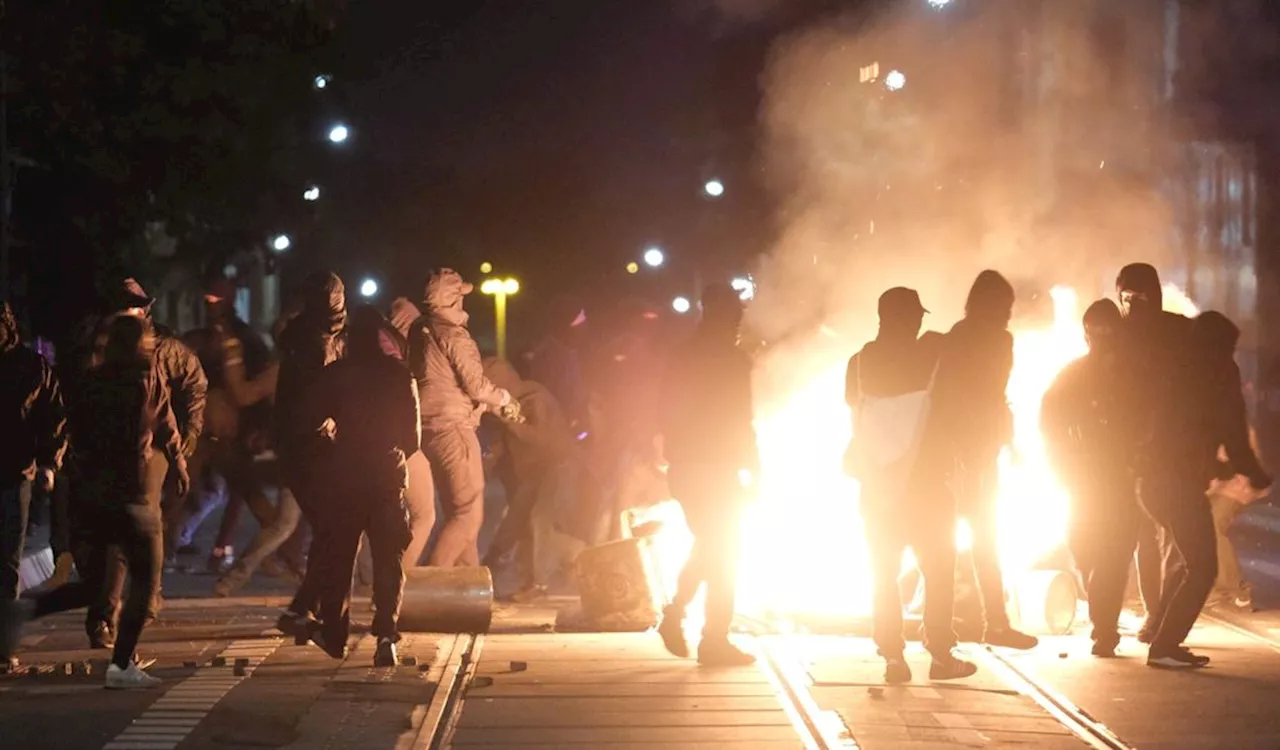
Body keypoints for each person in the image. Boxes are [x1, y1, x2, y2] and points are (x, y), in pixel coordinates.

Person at [13, 316, 190, 688]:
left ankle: (28, 609)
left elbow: (71, 429)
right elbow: (166, 427)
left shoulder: (91, 382)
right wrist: (178, 463)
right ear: (142, 345)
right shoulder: (148, 379)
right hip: (133, 496)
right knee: (144, 580)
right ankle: (122, 665)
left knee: (99, 587)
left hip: (94, 496)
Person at [1117, 264, 1270, 668]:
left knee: (1181, 554)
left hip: (1153, 478)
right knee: (1198, 564)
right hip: (1175, 481)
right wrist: (1254, 474)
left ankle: (1161, 633)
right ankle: (1164, 644)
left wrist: (1217, 471)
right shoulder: (1214, 374)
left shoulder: (1177, 370)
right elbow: (1230, 431)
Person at [845, 288, 977, 682]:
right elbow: (953, 411)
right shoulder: (932, 356)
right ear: (911, 319)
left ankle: (892, 657)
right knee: (938, 568)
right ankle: (940, 653)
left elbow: (855, 409)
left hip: (879, 483)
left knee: (883, 570)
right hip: (927, 482)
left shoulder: (858, 363)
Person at [80, 279, 206, 650]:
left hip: (147, 457)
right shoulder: (97, 351)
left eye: (131, 309)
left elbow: (189, 390)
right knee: (119, 538)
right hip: (107, 459)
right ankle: (112, 616)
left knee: (139, 531)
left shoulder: (163, 351)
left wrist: (184, 444)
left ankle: (133, 607)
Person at [297, 308, 418, 666]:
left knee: (341, 555)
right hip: (386, 473)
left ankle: (334, 633)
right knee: (388, 557)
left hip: (345, 472)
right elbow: (413, 438)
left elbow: (308, 420)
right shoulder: (400, 375)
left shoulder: (336, 374)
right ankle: (385, 635)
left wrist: (334, 439)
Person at [930, 270, 1037, 650]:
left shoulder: (975, 339)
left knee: (978, 537)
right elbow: (964, 397)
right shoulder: (967, 341)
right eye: (1003, 307)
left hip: (977, 451)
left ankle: (982, 619)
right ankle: (973, 620)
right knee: (969, 538)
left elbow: (993, 396)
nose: (1008, 315)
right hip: (964, 453)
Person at [655, 283, 757, 667]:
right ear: (731, 317)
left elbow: (663, 411)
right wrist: (755, 468)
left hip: (685, 468)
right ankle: (711, 637)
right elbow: (741, 420)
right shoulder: (733, 362)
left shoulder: (680, 356)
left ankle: (678, 615)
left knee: (712, 546)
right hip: (718, 468)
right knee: (723, 550)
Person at [1041, 299, 1141, 657]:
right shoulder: (1074, 375)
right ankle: (1103, 621)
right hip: (1084, 481)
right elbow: (1048, 421)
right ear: (1086, 334)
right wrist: (1060, 465)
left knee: (1111, 555)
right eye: (1095, 331)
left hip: (1119, 481)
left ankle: (1104, 628)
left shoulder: (1133, 377)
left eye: (1106, 331)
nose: (1100, 338)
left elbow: (1147, 423)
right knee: (1088, 551)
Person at [408, 269, 515, 568]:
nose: (463, 302)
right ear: (451, 299)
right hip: (453, 429)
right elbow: (477, 386)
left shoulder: (420, 331)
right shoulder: (453, 334)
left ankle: (470, 588)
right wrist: (505, 399)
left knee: (460, 513)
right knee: (468, 515)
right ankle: (427, 589)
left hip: (426, 429)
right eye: (459, 295)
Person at [273, 272, 347, 638]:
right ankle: (302, 608)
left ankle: (308, 607)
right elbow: (316, 400)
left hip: (306, 448)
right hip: (310, 449)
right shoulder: (314, 342)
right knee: (335, 529)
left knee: (329, 529)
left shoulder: (314, 336)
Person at [0, 301, 68, 672]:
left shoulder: (30, 367)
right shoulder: (30, 367)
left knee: (8, 558)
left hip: (15, 473)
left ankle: (2, 644)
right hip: (17, 469)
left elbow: (52, 417)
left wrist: (48, 463)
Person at [481, 357, 578, 601]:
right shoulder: (510, 406)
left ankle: (545, 578)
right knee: (516, 522)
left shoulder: (535, 398)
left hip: (556, 466)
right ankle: (490, 569)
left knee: (540, 520)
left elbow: (544, 439)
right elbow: (502, 446)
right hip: (535, 473)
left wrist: (512, 422)